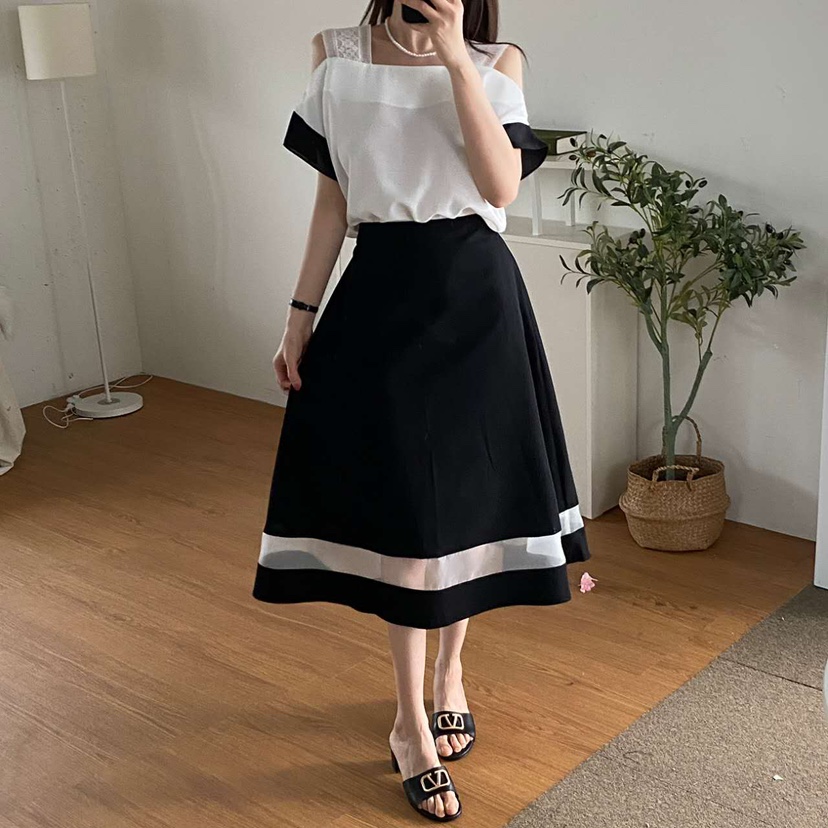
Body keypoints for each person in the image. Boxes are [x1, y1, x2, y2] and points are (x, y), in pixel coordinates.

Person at [252, 0, 591, 821]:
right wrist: (299, 315)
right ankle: (410, 722)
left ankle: (450, 674)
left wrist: (453, 56)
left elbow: (500, 184)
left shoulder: (498, 60)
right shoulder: (335, 53)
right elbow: (333, 201)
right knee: (406, 519)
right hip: (379, 301)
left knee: (464, 513)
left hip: (478, 305)